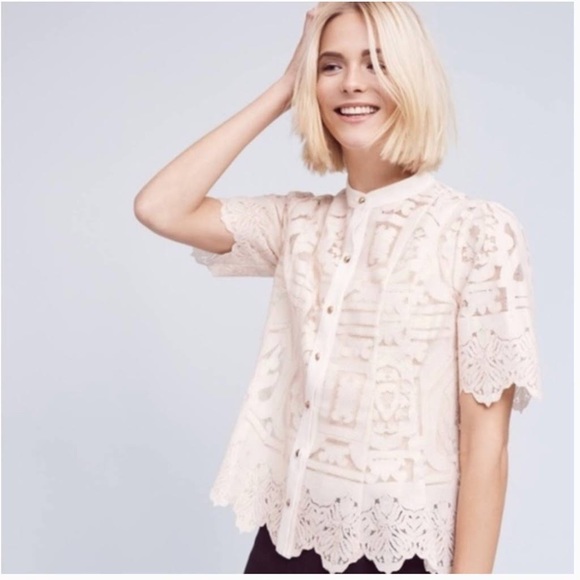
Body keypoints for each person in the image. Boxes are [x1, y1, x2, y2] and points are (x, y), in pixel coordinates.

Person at [134, 2, 541, 574]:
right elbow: (160, 207)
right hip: (284, 544)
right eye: (330, 66)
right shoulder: (298, 224)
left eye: (377, 63)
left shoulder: (476, 232)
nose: (352, 82)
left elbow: (486, 450)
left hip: (402, 556)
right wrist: (285, 87)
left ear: (413, 77)